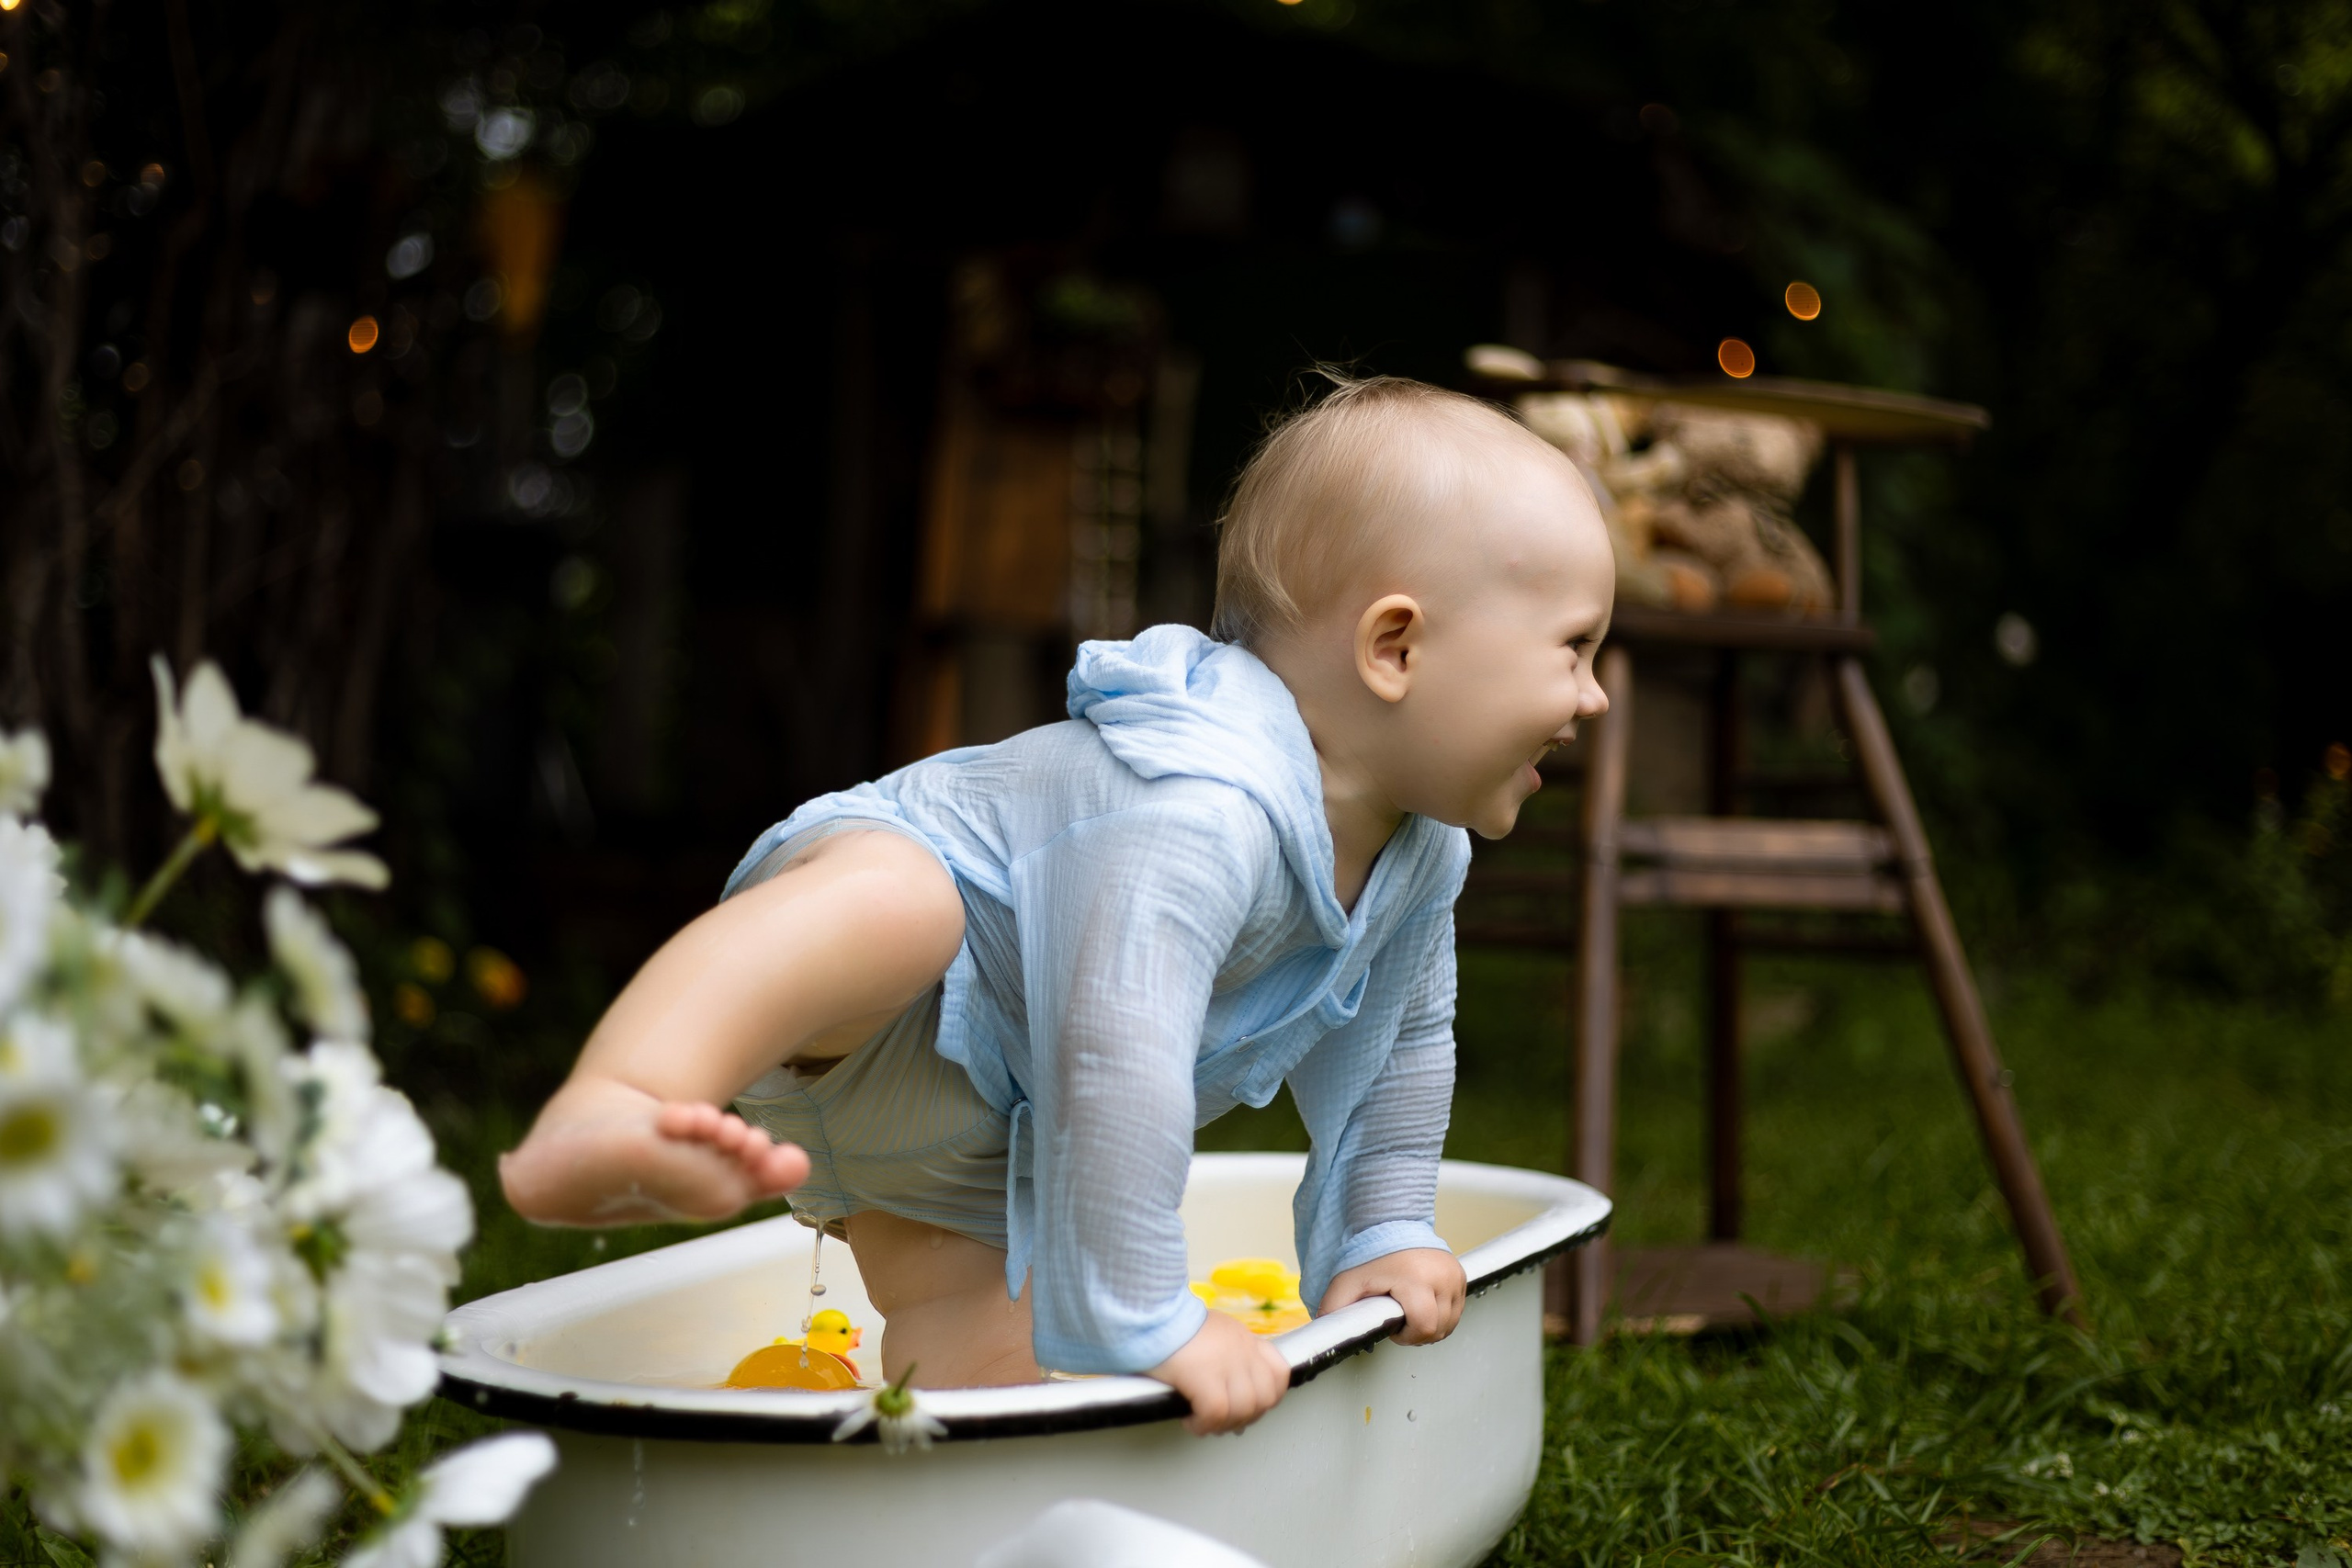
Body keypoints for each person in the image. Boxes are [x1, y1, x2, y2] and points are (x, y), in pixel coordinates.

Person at [499, 375, 1614, 1435]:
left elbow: (1395, 1057)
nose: (1594, 696)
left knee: (992, 1367)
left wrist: (1378, 1231)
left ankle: (947, 1525)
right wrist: (1144, 1315)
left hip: (977, 1137)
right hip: (905, 976)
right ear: (1396, 646)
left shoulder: (1423, 859)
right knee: (899, 906)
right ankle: (619, 1100)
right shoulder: (1203, 808)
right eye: (1574, 649)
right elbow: (1116, 1046)